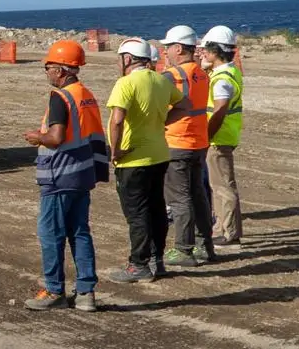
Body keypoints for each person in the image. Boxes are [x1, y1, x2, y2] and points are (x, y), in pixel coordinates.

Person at [23, 40, 109, 311]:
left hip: (60, 176)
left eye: (48, 68)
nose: (47, 73)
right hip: (82, 176)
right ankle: (86, 294)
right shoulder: (86, 94)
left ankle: (53, 291)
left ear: (60, 70)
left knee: (50, 233)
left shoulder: (60, 97)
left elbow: (56, 137)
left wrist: (37, 137)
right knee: (80, 233)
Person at [105, 38, 192, 283]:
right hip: (159, 154)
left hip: (133, 159)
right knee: (156, 210)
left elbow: (117, 119)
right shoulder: (160, 80)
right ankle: (157, 260)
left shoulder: (125, 83)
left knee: (137, 213)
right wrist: (161, 120)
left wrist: (115, 150)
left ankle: (138, 265)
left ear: (128, 59)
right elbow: (184, 104)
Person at [158, 25, 215, 268]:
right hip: (198, 142)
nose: (165, 52)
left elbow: (159, 110)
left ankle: (183, 249)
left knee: (180, 199)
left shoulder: (172, 76)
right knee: (198, 196)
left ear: (179, 48)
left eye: (167, 47)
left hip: (177, 143)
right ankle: (205, 245)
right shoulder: (202, 74)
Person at [198, 25, 244, 246]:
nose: (204, 52)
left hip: (218, 138)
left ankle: (229, 232)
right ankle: (224, 228)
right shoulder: (227, 72)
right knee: (221, 186)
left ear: (216, 51)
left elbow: (219, 110)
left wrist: (206, 136)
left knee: (223, 187)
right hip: (225, 136)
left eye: (207, 48)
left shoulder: (222, 78)